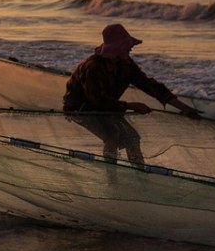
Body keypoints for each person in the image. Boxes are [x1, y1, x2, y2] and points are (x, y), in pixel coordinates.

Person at [62, 23, 202, 163]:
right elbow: (97, 100)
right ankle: (112, 178)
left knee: (132, 138)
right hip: (80, 107)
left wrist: (185, 108)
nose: (131, 47)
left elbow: (148, 84)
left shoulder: (125, 63)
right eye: (127, 45)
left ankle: (139, 172)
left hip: (107, 106)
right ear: (118, 48)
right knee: (112, 135)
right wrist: (130, 106)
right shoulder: (94, 67)